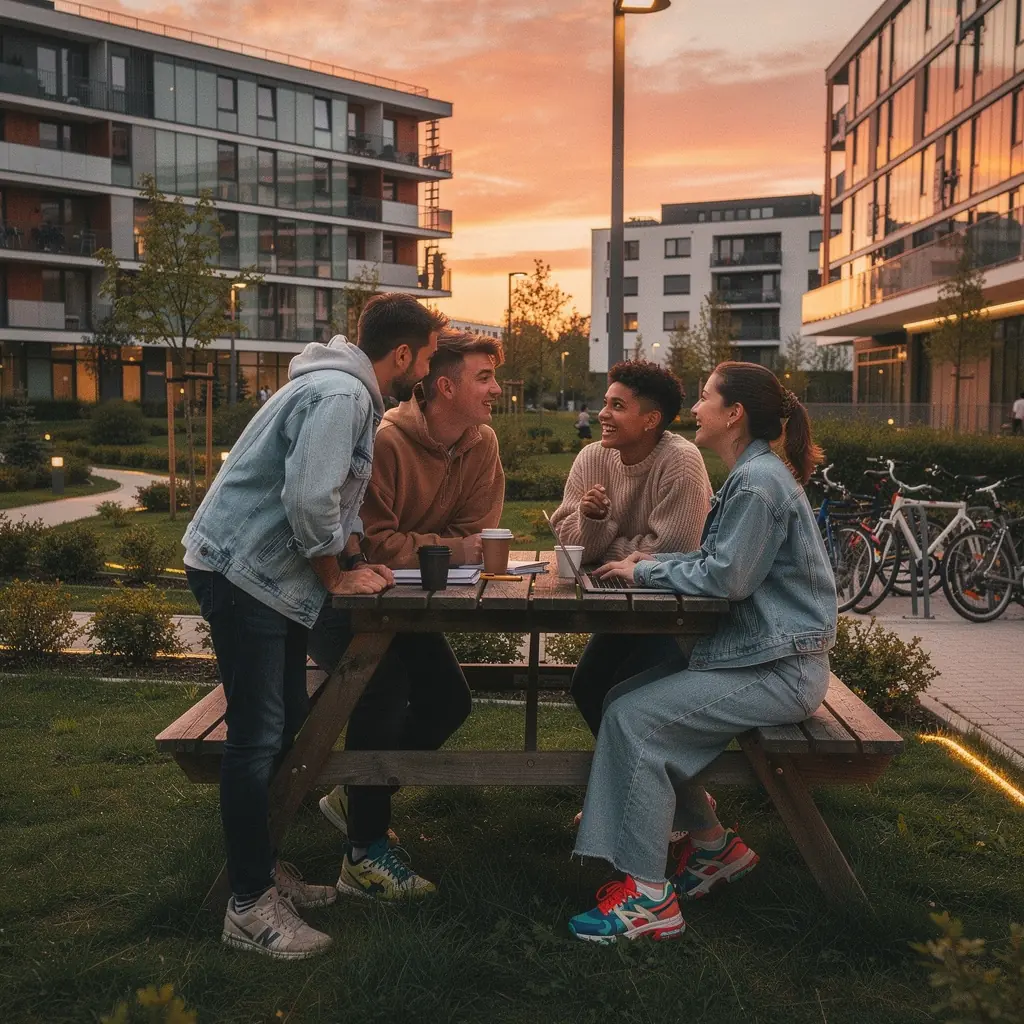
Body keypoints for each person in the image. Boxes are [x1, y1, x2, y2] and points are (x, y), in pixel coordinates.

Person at [183, 293, 444, 960]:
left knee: (284, 715)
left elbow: (335, 494)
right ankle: (247, 907)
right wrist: (336, 578)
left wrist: (354, 561)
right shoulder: (342, 397)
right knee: (258, 732)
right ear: (405, 353)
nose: (431, 372)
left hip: (263, 578)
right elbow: (307, 499)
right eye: (430, 358)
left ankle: (263, 873)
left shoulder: (344, 390)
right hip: (244, 575)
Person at [567, 361, 837, 945]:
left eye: (707, 399)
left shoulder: (760, 482)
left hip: (778, 669)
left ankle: (648, 897)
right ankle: (713, 849)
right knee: (619, 697)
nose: (696, 409)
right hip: (763, 658)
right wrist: (644, 566)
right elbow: (717, 563)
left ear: (734, 414)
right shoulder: (754, 474)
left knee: (634, 720)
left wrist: (648, 568)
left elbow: (728, 578)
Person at [311, 330, 506, 898]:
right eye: (484, 378)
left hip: (407, 606)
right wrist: (445, 547)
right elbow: (370, 545)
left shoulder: (482, 443)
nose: (496, 388)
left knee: (450, 700)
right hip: (339, 597)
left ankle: (356, 796)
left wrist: (429, 546)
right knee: (382, 685)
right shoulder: (387, 442)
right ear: (444, 386)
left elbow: (476, 530)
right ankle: (363, 858)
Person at [550, 360, 711, 735]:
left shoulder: (681, 462)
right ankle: (633, 779)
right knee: (587, 686)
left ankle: (672, 787)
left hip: (679, 615)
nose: (603, 414)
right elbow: (569, 548)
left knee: (624, 696)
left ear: (651, 420)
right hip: (622, 607)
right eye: (606, 402)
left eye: (618, 406)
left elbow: (673, 552)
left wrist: (604, 541)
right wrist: (593, 520)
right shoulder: (592, 458)